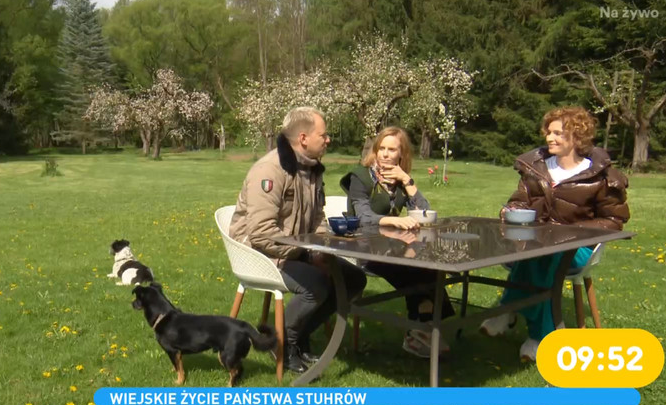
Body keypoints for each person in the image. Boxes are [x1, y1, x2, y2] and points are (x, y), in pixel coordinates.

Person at [481, 106, 630, 362]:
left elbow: (614, 220)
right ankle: (533, 329)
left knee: (547, 255)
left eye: (558, 133)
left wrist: (569, 232)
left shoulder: (601, 176)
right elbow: (519, 201)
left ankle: (522, 320)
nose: (550, 138)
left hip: (579, 248)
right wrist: (510, 210)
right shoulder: (535, 168)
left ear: (577, 137)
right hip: (534, 243)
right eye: (549, 132)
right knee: (538, 252)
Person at [229, 107, 368, 374]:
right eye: (323, 135)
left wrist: (324, 248)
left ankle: (300, 333)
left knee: (353, 279)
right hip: (258, 252)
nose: (328, 140)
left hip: (292, 249)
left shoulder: (312, 169)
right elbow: (261, 234)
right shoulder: (270, 170)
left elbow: (317, 218)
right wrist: (307, 255)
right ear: (303, 138)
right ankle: (281, 342)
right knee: (315, 284)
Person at [339, 126, 454, 358]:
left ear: (402, 154)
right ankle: (423, 328)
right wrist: (393, 221)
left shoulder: (400, 180)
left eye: (392, 150)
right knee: (419, 272)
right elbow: (363, 217)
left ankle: (420, 329)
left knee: (428, 267)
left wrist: (407, 181)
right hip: (364, 248)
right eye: (381, 148)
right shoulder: (359, 178)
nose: (385, 154)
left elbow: (424, 213)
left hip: (394, 248)